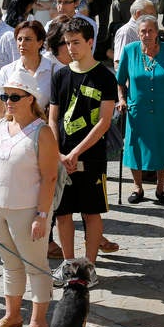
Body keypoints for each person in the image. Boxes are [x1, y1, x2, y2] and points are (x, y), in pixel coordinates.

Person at [0, 70, 57, 327]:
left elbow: (50, 177)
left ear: (30, 99)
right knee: (9, 264)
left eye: (14, 96)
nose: (7, 101)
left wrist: (42, 215)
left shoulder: (42, 132)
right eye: (4, 96)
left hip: (27, 209)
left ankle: (39, 321)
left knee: (35, 265)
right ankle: (12, 315)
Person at [49, 17, 115, 287]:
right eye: (67, 43)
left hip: (91, 156)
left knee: (91, 211)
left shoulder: (104, 76)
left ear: (90, 42)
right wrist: (58, 152)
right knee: (64, 213)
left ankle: (88, 266)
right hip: (62, 157)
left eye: (76, 42)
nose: (71, 48)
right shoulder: (60, 75)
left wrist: (77, 151)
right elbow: (53, 117)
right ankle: (68, 264)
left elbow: (104, 121)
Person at [116, 15, 164, 205]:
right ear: (138, 33)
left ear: (157, 32)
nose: (146, 34)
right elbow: (120, 81)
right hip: (138, 110)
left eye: (150, 30)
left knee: (163, 146)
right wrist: (121, 99)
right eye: (143, 31)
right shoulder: (130, 51)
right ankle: (138, 187)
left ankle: (161, 189)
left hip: (162, 109)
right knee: (134, 147)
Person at [0, 20, 59, 118]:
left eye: (28, 39)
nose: (22, 43)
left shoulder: (54, 70)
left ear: (40, 43)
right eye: (19, 39)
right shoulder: (7, 71)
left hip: (43, 130)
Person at [113, 0, 156, 69]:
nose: (154, 18)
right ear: (138, 14)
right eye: (151, 14)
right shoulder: (126, 32)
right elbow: (119, 64)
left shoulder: (144, 29)